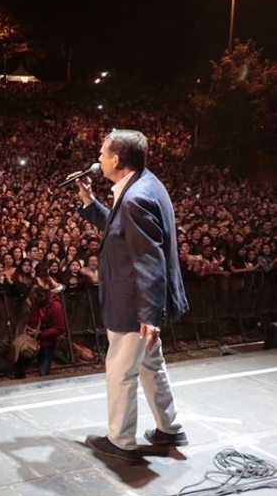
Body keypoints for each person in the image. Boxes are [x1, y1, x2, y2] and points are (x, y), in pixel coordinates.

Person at [75, 129, 190, 464]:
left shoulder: (137, 197)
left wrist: (149, 317)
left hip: (133, 303)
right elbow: (119, 233)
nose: (97, 158)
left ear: (116, 160)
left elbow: (147, 261)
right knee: (151, 365)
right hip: (141, 301)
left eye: (102, 153)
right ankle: (169, 428)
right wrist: (89, 202)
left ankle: (121, 440)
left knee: (122, 369)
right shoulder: (144, 184)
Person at [13, 285, 66, 378]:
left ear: (42, 296)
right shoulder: (36, 304)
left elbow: (59, 328)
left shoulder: (55, 306)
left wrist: (40, 333)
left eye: (35, 299)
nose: (33, 301)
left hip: (47, 342)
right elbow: (31, 317)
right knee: (19, 364)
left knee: (44, 372)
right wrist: (27, 326)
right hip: (32, 340)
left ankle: (55, 356)